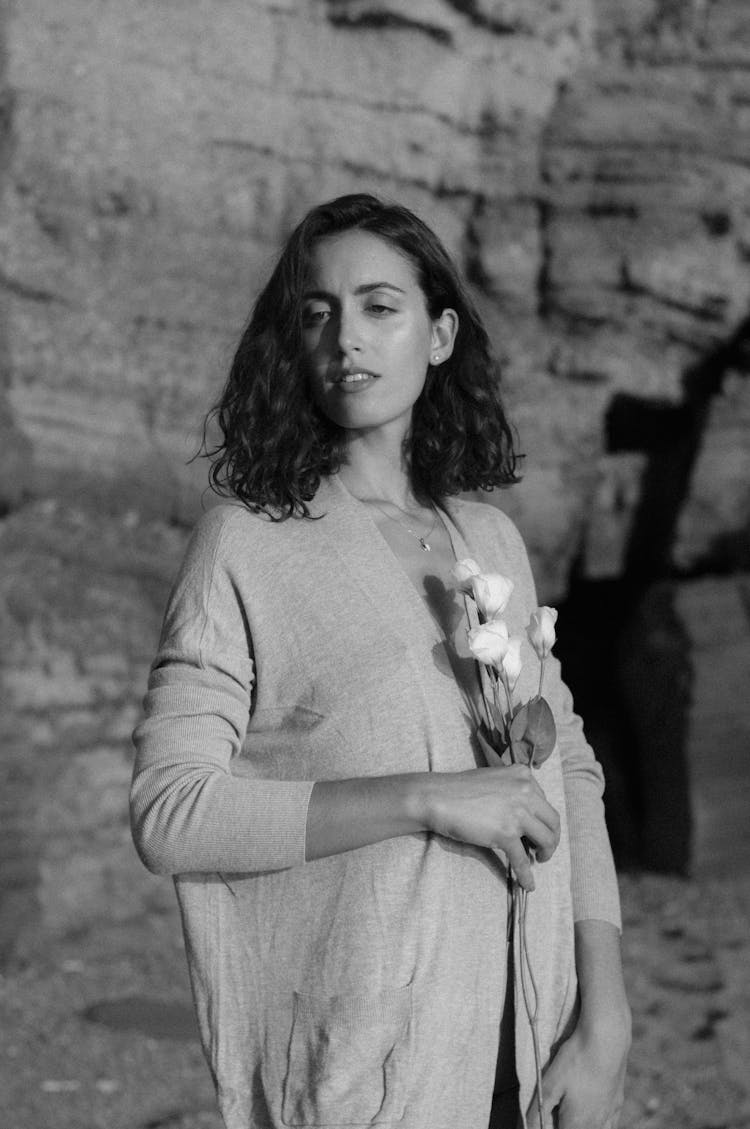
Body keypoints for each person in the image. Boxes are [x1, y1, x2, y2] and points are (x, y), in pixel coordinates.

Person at [130, 193, 630, 1129]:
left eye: (379, 307)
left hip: (533, 1045)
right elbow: (171, 809)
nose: (345, 338)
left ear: (439, 334)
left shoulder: (490, 542)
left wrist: (604, 1016)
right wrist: (427, 796)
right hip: (367, 1069)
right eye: (317, 312)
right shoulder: (245, 546)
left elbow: (567, 767)